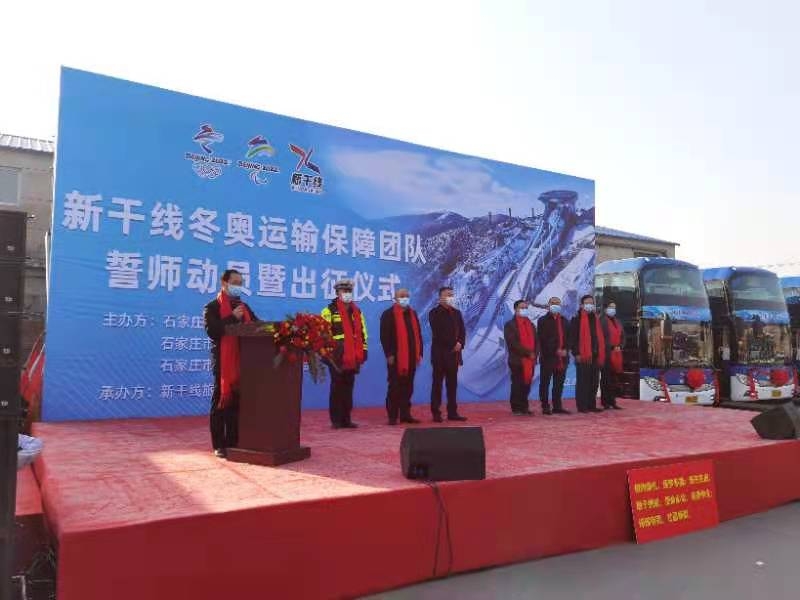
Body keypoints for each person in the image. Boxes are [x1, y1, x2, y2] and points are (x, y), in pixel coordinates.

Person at [204, 269, 257, 458]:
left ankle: (233, 442)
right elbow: (213, 331)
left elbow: (258, 326)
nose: (238, 286)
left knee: (236, 404)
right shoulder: (212, 307)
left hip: (243, 361)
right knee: (221, 401)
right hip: (223, 362)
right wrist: (232, 317)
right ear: (224, 283)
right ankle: (219, 444)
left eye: (241, 283)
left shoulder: (244, 307)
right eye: (235, 282)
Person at [321, 280, 368, 429]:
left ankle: (346, 419)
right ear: (337, 293)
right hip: (336, 354)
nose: (347, 293)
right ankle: (336, 420)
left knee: (348, 387)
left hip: (353, 353)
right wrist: (328, 354)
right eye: (344, 291)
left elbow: (363, 332)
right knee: (337, 387)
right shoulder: (329, 311)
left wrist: (364, 350)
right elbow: (324, 333)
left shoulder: (357, 311)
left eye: (349, 291)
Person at [380, 288, 423, 425]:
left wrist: (419, 353)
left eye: (406, 295)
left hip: (411, 356)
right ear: (395, 298)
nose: (404, 298)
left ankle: (405, 414)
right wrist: (389, 354)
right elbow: (384, 336)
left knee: (408, 387)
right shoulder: (388, 314)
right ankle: (392, 416)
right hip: (396, 357)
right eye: (401, 296)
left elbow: (418, 335)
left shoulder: (413, 313)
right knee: (395, 387)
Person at [428, 286, 467, 422]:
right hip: (439, 354)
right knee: (437, 385)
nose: (451, 297)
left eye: (452, 295)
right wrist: (453, 344)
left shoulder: (457, 313)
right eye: (447, 295)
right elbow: (438, 333)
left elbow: (462, 331)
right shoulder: (434, 313)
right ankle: (436, 413)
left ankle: (452, 412)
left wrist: (460, 343)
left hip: (453, 355)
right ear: (440, 297)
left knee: (452, 385)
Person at [570, 294, 606, 413]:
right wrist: (576, 353)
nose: (590, 305)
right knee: (583, 382)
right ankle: (582, 406)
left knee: (594, 382)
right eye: (587, 303)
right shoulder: (576, 319)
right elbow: (573, 338)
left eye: (591, 303)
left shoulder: (595, 319)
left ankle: (591, 405)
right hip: (583, 355)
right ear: (581, 305)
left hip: (595, 355)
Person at [537, 297, 571, 415]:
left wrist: (566, 349)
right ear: (548, 305)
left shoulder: (565, 321)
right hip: (548, 357)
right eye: (553, 303)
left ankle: (557, 406)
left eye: (557, 303)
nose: (555, 305)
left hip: (562, 358)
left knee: (559, 383)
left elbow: (569, 338)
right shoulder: (542, 320)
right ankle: (545, 406)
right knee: (545, 383)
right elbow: (542, 339)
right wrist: (555, 350)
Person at [504, 300, 538, 416]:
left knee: (526, 384)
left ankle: (524, 407)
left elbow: (537, 342)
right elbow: (512, 343)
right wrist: (528, 353)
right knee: (517, 384)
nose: (524, 310)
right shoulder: (510, 325)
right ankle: (516, 407)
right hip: (517, 360)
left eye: (525, 308)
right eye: (521, 307)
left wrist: (535, 354)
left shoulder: (531, 325)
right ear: (515, 309)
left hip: (530, 361)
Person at [600, 300, 624, 410]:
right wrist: (611, 347)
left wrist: (620, 346)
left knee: (614, 379)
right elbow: (600, 338)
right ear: (605, 309)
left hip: (617, 353)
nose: (612, 309)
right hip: (606, 354)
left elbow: (623, 336)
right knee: (606, 379)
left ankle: (613, 401)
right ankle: (605, 402)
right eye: (610, 307)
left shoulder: (617, 321)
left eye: (614, 307)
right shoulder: (602, 320)